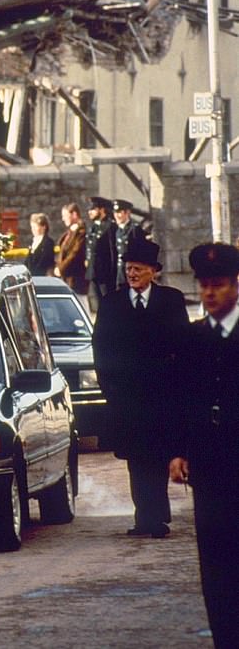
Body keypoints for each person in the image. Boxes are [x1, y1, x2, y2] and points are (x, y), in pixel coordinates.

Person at [93, 237, 188, 538]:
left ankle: (155, 517)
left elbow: (184, 347)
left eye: (137, 269)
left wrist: (180, 387)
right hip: (127, 398)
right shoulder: (111, 304)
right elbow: (101, 350)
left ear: (153, 271)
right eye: (128, 269)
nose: (132, 274)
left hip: (163, 396)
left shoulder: (171, 300)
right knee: (136, 459)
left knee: (158, 456)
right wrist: (110, 391)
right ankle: (145, 517)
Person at [169, 243, 239, 649]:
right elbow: (181, 399)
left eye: (219, 285)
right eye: (205, 285)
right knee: (214, 561)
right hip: (209, 466)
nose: (210, 293)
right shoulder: (192, 338)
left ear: (235, 286)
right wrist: (179, 450)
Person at [85, 196, 116, 311]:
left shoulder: (110, 227)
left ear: (102, 210)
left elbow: (112, 252)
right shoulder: (93, 227)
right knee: (98, 304)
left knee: (108, 303)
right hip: (94, 272)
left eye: (93, 209)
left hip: (105, 274)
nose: (90, 212)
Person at [54, 202, 88, 294]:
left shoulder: (81, 232)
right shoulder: (69, 233)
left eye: (65, 215)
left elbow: (74, 253)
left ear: (74, 214)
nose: (63, 219)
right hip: (67, 277)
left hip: (76, 278)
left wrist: (61, 268)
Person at [112, 199, 146, 289]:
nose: (117, 216)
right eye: (115, 213)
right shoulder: (118, 230)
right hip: (121, 273)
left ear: (127, 213)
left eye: (120, 212)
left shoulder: (135, 229)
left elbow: (142, 251)